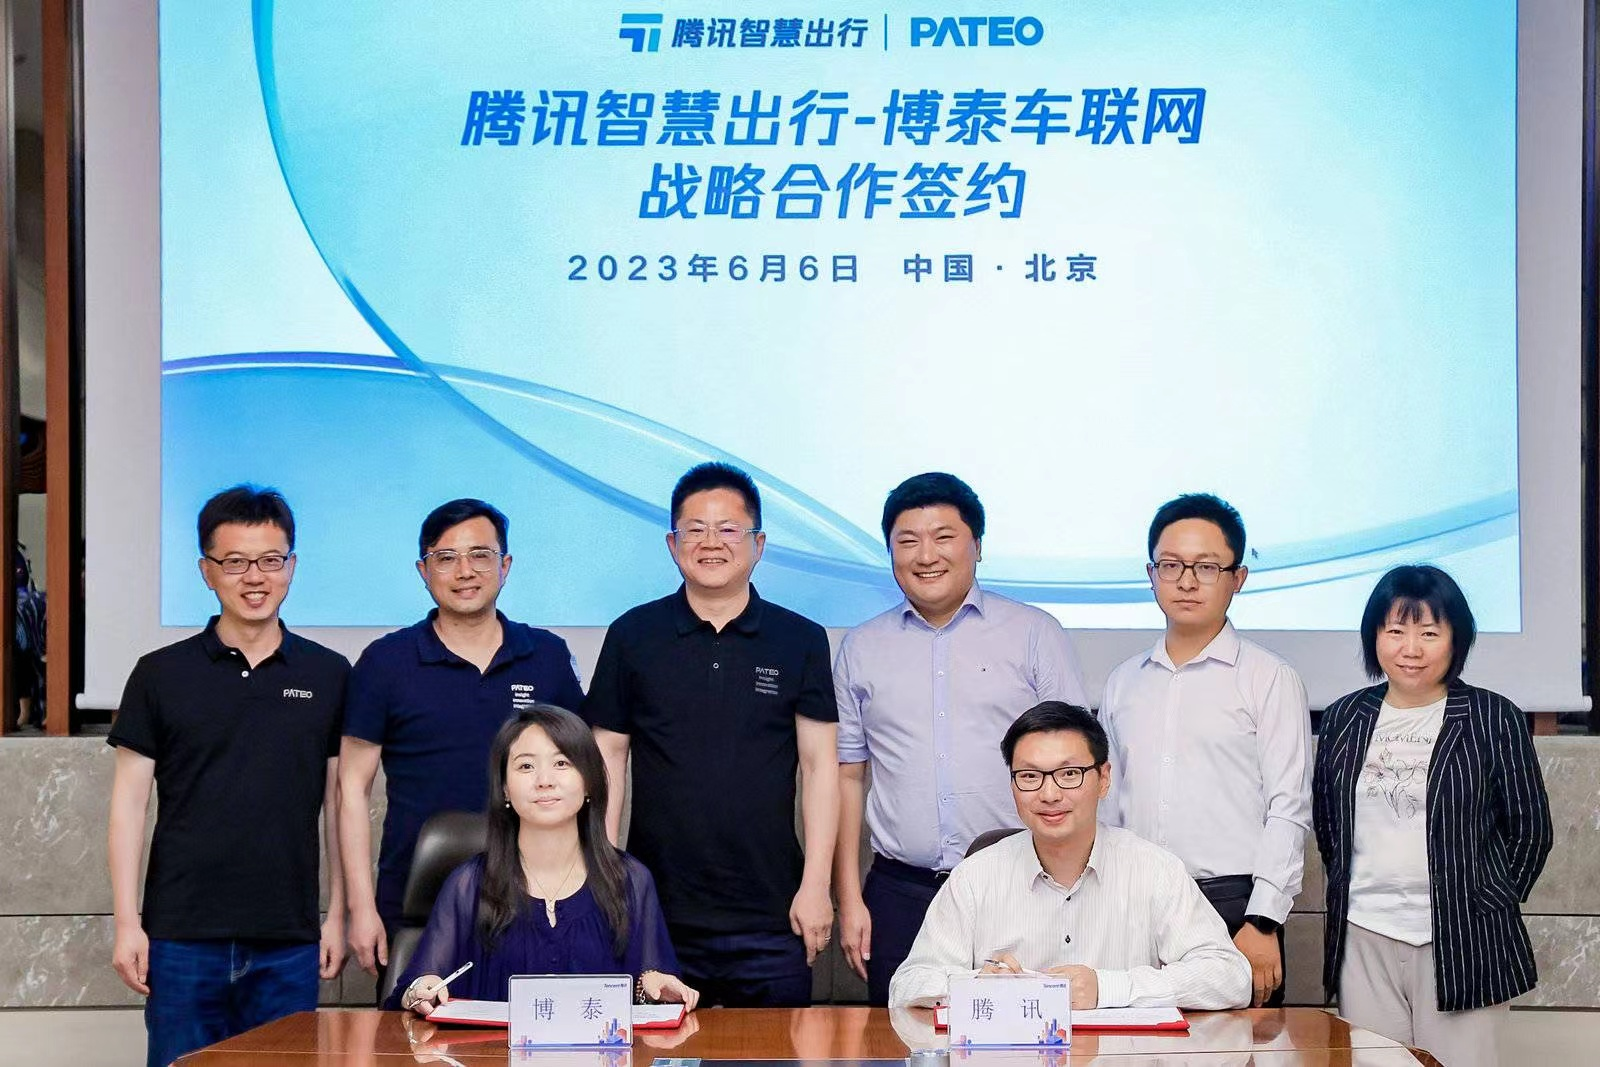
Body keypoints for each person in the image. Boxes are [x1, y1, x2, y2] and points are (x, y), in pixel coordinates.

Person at [107, 486, 349, 1067]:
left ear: (292, 565)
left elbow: (341, 806)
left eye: (271, 560)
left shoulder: (329, 673)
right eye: (235, 562)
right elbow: (128, 806)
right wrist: (127, 923)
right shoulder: (159, 674)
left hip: (288, 938)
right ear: (207, 571)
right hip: (180, 936)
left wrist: (337, 915)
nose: (255, 577)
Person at [585, 462, 839, 1007]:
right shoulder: (632, 635)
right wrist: (604, 881)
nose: (711, 542)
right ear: (673, 544)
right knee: (656, 1050)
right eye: (695, 529)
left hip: (772, 912)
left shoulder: (800, 640)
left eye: (728, 529)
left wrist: (816, 885)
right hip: (657, 913)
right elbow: (607, 758)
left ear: (758, 544)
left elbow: (821, 767)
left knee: (777, 1051)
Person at [834, 472, 1089, 1004]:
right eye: (908, 541)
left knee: (1029, 1036)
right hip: (899, 893)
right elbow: (848, 777)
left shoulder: (1034, 634)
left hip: (1019, 885)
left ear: (977, 545)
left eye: (944, 537)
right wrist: (850, 898)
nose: (926, 555)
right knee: (898, 1039)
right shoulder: (861, 647)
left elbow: (1076, 767)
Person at [1313, 565, 1551, 1067]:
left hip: (1465, 938)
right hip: (1364, 934)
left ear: (1455, 639)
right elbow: (1330, 826)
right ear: (1374, 636)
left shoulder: (1493, 717)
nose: (1411, 649)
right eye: (1395, 631)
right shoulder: (1343, 718)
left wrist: (1485, 900)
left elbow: (1530, 831)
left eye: (1429, 633)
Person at [340, 499, 584, 985]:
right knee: (411, 1033)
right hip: (417, 896)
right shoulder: (386, 662)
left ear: (505, 565)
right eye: (446, 558)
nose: (465, 571)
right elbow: (351, 787)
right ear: (423, 570)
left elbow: (581, 772)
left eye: (480, 555)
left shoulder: (548, 656)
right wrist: (360, 909)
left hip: (540, 894)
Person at [889, 701, 1250, 1009]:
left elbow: (1230, 977)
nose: (1049, 794)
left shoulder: (1155, 870)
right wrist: (977, 985)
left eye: (1069, 774)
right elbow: (907, 985)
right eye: (1029, 776)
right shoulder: (975, 876)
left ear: (1104, 778)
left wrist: (1107, 988)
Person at [1099, 492, 1311, 1007]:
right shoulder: (1124, 682)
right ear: (1151, 574)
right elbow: (1105, 807)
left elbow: (1288, 807)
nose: (1187, 581)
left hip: (1234, 907)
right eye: (1171, 565)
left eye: (1207, 567)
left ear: (1238, 578)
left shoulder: (1269, 678)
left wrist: (1264, 920)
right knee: (1133, 1044)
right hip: (1134, 903)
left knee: (1236, 1046)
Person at [388, 705, 697, 1014]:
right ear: (505, 788)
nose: (544, 780)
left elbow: (652, 985)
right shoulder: (469, 884)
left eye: (562, 763)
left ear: (589, 781)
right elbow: (415, 988)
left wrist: (654, 988)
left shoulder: (629, 879)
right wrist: (420, 989)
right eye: (526, 766)